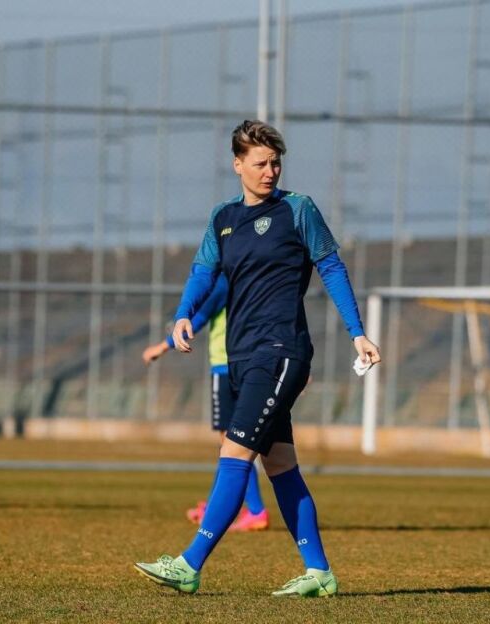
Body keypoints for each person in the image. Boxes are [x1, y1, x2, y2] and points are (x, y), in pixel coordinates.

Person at [134, 120, 380, 596]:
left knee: (234, 453)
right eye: (261, 163)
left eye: (276, 163)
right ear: (238, 165)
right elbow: (202, 270)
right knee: (281, 465)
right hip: (242, 356)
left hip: (281, 352)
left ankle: (189, 564)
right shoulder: (223, 218)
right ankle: (319, 572)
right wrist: (182, 314)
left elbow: (331, 266)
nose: (270, 171)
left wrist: (357, 333)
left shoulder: (297, 209)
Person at [141, 274, 269, 532]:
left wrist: (161, 347)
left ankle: (256, 510)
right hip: (253, 366)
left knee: (232, 446)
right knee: (234, 446)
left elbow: (197, 318)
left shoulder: (224, 280)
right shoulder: (254, 278)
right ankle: (214, 507)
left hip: (226, 368)